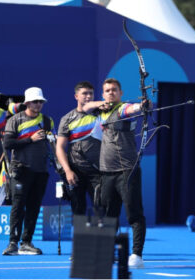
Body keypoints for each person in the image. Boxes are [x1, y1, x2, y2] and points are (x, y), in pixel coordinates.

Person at [82, 78, 150, 269]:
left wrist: (143, 105)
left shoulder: (123, 108)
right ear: (103, 94)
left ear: (120, 93)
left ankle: (136, 255)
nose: (111, 93)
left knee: (134, 214)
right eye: (107, 90)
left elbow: (134, 109)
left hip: (127, 171)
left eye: (114, 90)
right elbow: (86, 106)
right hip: (106, 172)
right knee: (106, 215)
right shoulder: (101, 110)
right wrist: (100, 104)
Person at [2, 87, 54, 256]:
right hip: (21, 170)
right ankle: (12, 243)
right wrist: (30, 139)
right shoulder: (15, 120)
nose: (38, 104)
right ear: (27, 103)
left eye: (41, 101)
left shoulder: (47, 121)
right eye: (35, 101)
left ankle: (26, 242)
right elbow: (7, 144)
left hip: (40, 171)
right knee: (18, 206)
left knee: (34, 207)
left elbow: (53, 145)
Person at [56, 81, 102, 215]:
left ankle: (104, 237)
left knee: (102, 209)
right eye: (84, 93)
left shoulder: (101, 113)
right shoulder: (67, 119)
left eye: (91, 93)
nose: (88, 96)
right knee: (78, 210)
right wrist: (68, 170)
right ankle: (81, 237)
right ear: (76, 96)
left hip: (98, 171)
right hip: (76, 172)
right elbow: (60, 147)